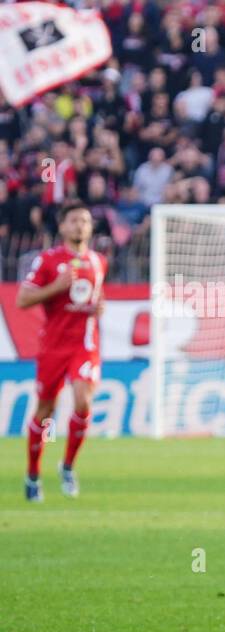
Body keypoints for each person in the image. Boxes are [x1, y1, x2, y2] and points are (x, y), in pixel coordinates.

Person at [17, 202, 107, 501]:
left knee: (83, 402)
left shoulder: (98, 262)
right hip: (54, 346)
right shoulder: (47, 260)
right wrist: (56, 286)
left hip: (85, 344)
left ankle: (67, 466)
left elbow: (97, 297)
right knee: (46, 411)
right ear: (62, 227)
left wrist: (99, 307)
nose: (80, 225)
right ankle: (32, 474)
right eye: (74, 220)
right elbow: (23, 300)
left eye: (85, 220)